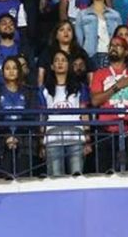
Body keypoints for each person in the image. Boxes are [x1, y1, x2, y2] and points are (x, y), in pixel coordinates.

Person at [0, 56, 43, 179]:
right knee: (5, 181)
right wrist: (8, 136)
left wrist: (17, 137)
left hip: (26, 141)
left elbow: (32, 116)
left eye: (14, 68)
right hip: (3, 142)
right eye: (7, 68)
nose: (11, 71)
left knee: (25, 180)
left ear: (19, 71)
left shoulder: (30, 93)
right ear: (2, 72)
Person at [90, 36, 128, 172]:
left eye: (118, 45)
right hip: (106, 131)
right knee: (105, 173)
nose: (113, 48)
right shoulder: (100, 74)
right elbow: (95, 101)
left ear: (127, 52)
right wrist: (117, 86)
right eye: (111, 45)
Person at [41, 48, 90, 176]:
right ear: (52, 66)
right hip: (53, 139)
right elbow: (42, 117)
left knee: (77, 177)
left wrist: (87, 138)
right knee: (56, 179)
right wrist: (41, 141)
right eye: (56, 60)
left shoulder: (79, 88)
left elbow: (84, 113)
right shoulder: (45, 90)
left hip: (75, 137)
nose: (60, 63)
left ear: (69, 65)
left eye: (63, 60)